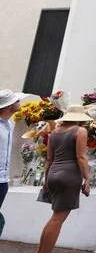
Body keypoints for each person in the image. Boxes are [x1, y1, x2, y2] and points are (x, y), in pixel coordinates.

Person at [37, 105, 92, 253]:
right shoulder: (80, 131)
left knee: (54, 217)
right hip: (69, 176)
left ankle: (41, 251)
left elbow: (49, 159)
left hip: (53, 174)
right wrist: (87, 178)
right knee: (57, 219)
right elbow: (81, 157)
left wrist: (46, 178)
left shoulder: (54, 132)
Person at [0, 89, 24, 237]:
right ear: (9, 106)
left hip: (3, 180)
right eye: (16, 101)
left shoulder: (9, 124)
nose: (19, 103)